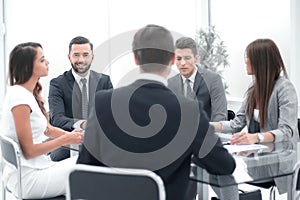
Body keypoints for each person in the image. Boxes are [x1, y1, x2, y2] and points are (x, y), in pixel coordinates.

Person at [77, 24, 236, 200]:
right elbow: (224, 165)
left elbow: (84, 170)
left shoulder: (103, 103)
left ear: (136, 59)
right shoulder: (188, 110)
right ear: (172, 59)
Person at [0, 42, 83, 199]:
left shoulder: (23, 93)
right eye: (42, 59)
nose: (48, 62)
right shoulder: (20, 99)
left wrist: (75, 137)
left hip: (32, 171)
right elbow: (29, 151)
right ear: (27, 68)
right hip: (29, 180)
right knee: (89, 167)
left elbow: (47, 129)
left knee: (85, 163)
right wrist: (66, 139)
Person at [211, 38, 299, 145]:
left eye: (248, 57)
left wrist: (257, 137)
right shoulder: (253, 88)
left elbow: (286, 131)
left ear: (260, 61)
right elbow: (236, 124)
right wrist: (204, 125)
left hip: (283, 155)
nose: (245, 61)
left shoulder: (285, 88)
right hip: (259, 154)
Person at [48, 36, 113, 161]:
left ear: (92, 57)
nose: (81, 59)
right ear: (69, 57)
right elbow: (57, 119)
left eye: (85, 55)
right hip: (67, 142)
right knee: (57, 157)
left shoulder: (104, 81)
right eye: (76, 55)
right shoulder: (57, 84)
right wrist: (83, 124)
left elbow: (110, 115)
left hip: (98, 141)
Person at [168, 37, 227, 122]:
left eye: (187, 58)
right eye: (179, 59)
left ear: (196, 58)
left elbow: (220, 116)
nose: (183, 63)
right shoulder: (170, 84)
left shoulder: (213, 80)